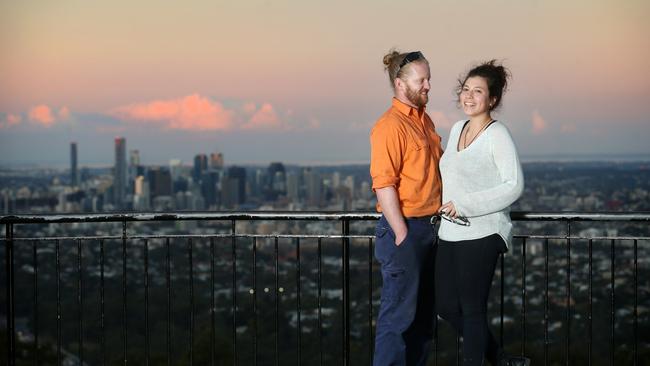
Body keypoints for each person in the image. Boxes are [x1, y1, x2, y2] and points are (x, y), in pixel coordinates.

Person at [435, 60, 528, 366]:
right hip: (450, 231)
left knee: (473, 308)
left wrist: (465, 205)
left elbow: (514, 185)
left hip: (483, 231)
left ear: (493, 99)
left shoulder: (497, 134)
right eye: (465, 89)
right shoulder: (457, 128)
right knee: (447, 305)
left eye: (478, 91)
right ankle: (499, 359)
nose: (469, 96)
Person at [370, 49, 443, 366]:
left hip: (430, 230)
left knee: (423, 321)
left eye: (429, 79)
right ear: (400, 84)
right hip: (406, 230)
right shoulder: (390, 126)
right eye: (422, 79)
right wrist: (401, 233)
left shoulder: (424, 121)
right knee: (397, 319)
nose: (428, 85)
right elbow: (384, 183)